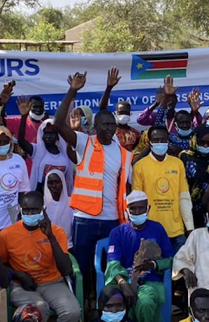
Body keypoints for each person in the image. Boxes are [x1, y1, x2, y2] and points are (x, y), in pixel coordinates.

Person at [54, 72, 130, 305]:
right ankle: (82, 308)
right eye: (104, 124)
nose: (109, 127)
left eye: (112, 124)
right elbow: (58, 124)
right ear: (95, 127)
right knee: (82, 268)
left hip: (112, 220)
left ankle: (107, 308)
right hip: (85, 218)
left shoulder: (123, 153)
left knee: (110, 269)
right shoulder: (84, 142)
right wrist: (73, 90)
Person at [0, 191, 78, 322]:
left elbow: (66, 269)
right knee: (40, 308)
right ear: (20, 209)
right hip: (21, 285)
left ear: (43, 209)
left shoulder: (57, 231)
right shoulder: (7, 234)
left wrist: (51, 238)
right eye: (26, 210)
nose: (30, 214)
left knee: (72, 311)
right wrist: (19, 274)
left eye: (35, 210)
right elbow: (0, 264)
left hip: (52, 282)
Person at [105, 191, 173, 322]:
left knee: (146, 302)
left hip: (150, 281)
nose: (137, 212)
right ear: (126, 210)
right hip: (123, 280)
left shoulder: (157, 229)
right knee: (114, 300)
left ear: (148, 209)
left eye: (141, 208)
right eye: (133, 209)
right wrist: (124, 284)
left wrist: (154, 265)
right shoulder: (117, 233)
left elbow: (170, 259)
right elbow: (112, 263)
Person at [132, 125, 194, 246]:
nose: (160, 143)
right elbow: (137, 202)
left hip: (176, 231)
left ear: (168, 141)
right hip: (150, 231)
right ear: (149, 143)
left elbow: (184, 197)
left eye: (163, 140)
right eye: (155, 140)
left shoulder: (178, 164)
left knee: (179, 264)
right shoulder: (139, 166)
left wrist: (190, 227)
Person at [28, 120, 75, 193]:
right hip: (41, 194)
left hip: (61, 194)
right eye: (46, 133)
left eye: (51, 133)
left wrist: (74, 130)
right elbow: (21, 142)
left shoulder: (65, 153)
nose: (48, 136)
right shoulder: (37, 150)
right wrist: (24, 117)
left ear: (57, 136)